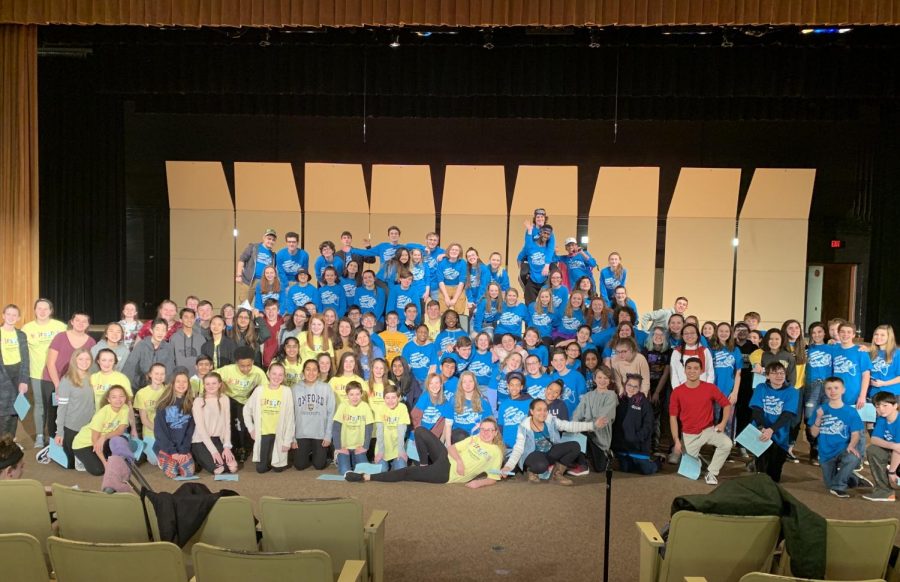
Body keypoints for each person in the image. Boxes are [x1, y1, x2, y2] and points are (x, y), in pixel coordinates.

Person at [344, 418, 504, 489]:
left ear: (496, 433)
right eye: (484, 429)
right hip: (447, 458)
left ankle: (365, 477)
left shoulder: (495, 452)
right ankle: (424, 464)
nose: (486, 432)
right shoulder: (475, 438)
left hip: (446, 473)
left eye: (490, 430)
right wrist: (460, 461)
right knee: (420, 431)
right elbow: (452, 447)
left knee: (408, 473)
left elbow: (493, 478)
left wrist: (478, 483)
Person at [502, 399, 606, 485]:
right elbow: (518, 448)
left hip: (550, 452)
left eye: (545, 410)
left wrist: (593, 425)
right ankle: (532, 471)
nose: (543, 413)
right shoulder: (524, 426)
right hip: (533, 455)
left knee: (575, 446)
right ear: (532, 411)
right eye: (539, 410)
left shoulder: (551, 420)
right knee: (541, 465)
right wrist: (508, 466)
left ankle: (557, 475)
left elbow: (569, 426)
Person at [669, 357, 732, 485]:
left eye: (696, 368)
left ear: (701, 371)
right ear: (684, 370)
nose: (692, 371)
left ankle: (712, 472)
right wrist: (676, 441)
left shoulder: (710, 388)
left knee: (727, 444)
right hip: (689, 434)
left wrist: (723, 423)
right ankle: (700, 462)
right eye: (689, 368)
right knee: (690, 474)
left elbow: (726, 404)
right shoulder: (677, 392)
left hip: (708, 430)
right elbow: (673, 418)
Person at [42, 312, 96, 445]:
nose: (80, 323)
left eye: (84, 321)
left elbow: (89, 364)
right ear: (71, 322)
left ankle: (71, 439)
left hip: (76, 382)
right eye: (77, 320)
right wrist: (58, 385)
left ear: (88, 324)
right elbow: (50, 363)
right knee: (55, 412)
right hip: (53, 379)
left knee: (72, 410)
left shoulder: (91, 342)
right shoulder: (60, 337)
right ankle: (53, 443)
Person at [22, 298, 67, 447]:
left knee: (58, 405)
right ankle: (40, 436)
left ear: (51, 311)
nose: (42, 311)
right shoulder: (27, 328)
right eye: (39, 308)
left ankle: (56, 435)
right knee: (40, 405)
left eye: (45, 308)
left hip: (57, 374)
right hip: (37, 375)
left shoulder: (60, 327)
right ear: (34, 310)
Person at [808, 377, 864, 498]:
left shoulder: (851, 411)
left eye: (836, 388)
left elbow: (855, 434)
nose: (832, 391)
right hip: (825, 452)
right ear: (825, 391)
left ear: (843, 390)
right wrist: (818, 418)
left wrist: (851, 445)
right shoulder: (820, 409)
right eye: (829, 388)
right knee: (829, 485)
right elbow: (813, 434)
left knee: (853, 458)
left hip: (843, 449)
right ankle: (852, 478)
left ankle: (839, 486)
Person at [750, 362, 800, 483]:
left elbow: (787, 415)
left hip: (780, 434)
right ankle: (756, 466)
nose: (779, 376)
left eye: (781, 373)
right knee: (761, 473)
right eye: (774, 373)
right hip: (761, 432)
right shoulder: (761, 387)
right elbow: (756, 410)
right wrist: (763, 428)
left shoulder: (792, 391)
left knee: (774, 475)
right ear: (767, 375)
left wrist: (771, 430)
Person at [217, 346, 267, 462]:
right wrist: (221, 387)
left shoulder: (258, 372)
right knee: (232, 424)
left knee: (244, 425)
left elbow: (266, 388)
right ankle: (234, 447)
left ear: (253, 362)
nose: (246, 369)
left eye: (249, 365)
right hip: (230, 399)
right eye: (242, 366)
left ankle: (245, 447)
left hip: (247, 400)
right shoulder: (227, 370)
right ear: (236, 363)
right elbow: (212, 377)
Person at [243, 363, 295, 473]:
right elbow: (246, 410)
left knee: (278, 468)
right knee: (261, 469)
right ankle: (268, 457)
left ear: (284, 376)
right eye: (274, 374)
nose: (277, 377)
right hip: (264, 433)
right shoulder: (259, 390)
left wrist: (287, 441)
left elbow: (290, 417)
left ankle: (275, 457)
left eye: (281, 375)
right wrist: (251, 428)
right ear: (268, 374)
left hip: (279, 433)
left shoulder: (287, 391)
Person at [71, 385, 130, 476]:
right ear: (108, 399)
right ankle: (80, 459)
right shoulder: (102, 413)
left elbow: (120, 430)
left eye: (121, 396)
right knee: (99, 470)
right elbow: (95, 441)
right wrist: (105, 463)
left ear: (125, 397)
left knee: (121, 439)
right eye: (114, 397)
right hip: (83, 444)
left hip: (103, 439)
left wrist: (104, 437)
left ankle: (105, 458)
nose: (118, 399)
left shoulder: (125, 408)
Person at [291, 359, 335, 471]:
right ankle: (308, 452)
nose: (311, 373)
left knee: (319, 465)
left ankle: (317, 453)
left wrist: (328, 435)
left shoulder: (326, 388)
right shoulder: (295, 389)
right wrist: (292, 437)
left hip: (319, 433)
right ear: (303, 371)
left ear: (319, 372)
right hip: (301, 433)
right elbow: (290, 415)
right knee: (299, 465)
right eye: (308, 369)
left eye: (314, 370)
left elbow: (331, 413)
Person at [55, 349, 95, 469]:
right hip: (72, 427)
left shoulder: (93, 378)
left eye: (87, 359)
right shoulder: (66, 381)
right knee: (70, 465)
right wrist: (59, 432)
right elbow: (61, 409)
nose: (84, 362)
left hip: (89, 426)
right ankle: (53, 448)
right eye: (81, 359)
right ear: (74, 361)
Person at [572, 366, 618, 471]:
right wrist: (574, 426)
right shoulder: (588, 395)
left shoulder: (611, 395)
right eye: (599, 377)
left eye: (606, 378)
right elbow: (577, 413)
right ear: (594, 379)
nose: (602, 381)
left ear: (610, 380)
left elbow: (603, 417)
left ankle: (606, 453)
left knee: (599, 468)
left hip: (600, 435)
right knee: (578, 433)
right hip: (586, 431)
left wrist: (588, 425)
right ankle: (582, 463)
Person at [153, 368, 196, 479]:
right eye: (178, 381)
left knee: (188, 474)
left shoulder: (191, 404)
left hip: (182, 446)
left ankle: (178, 460)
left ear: (188, 384)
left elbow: (190, 431)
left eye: (184, 381)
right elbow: (160, 432)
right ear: (172, 384)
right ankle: (162, 456)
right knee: (173, 474)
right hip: (167, 446)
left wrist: (183, 451)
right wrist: (172, 452)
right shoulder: (163, 404)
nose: (181, 384)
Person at [191, 372, 237, 475]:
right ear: (204, 385)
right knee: (219, 470)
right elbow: (201, 430)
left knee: (233, 467)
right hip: (200, 441)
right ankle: (198, 458)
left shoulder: (224, 399)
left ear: (219, 384)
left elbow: (227, 425)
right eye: (207, 384)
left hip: (216, 439)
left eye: (214, 383)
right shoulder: (198, 401)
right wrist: (213, 451)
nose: (211, 386)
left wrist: (226, 447)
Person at [612, 374, 658, 474]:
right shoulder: (619, 401)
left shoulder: (644, 403)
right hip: (622, 448)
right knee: (625, 469)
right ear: (624, 385)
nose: (631, 389)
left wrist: (637, 438)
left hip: (638, 447)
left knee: (647, 470)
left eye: (635, 386)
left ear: (639, 388)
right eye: (629, 385)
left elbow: (648, 425)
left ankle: (657, 462)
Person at [864, 391, 900, 502]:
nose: (881, 409)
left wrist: (892, 472)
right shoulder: (882, 419)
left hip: (897, 455)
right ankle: (884, 491)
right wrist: (893, 445)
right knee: (873, 450)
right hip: (895, 452)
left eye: (885, 405)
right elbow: (874, 440)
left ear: (895, 406)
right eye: (878, 406)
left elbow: (898, 451)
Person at [332, 381, 374, 475]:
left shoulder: (365, 407)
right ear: (347, 395)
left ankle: (354, 461)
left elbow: (369, 428)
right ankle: (338, 457)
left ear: (361, 394)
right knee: (345, 471)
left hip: (358, 447)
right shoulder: (343, 406)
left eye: (357, 394)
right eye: (351, 394)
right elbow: (336, 428)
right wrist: (338, 447)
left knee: (364, 471)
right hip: (344, 447)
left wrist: (365, 447)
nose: (354, 397)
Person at [708, 322, 742, 439]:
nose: (723, 333)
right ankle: (714, 443)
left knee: (728, 420)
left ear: (730, 333)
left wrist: (735, 392)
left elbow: (738, 373)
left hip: (729, 391)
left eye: (726, 331)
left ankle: (727, 443)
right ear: (716, 333)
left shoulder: (735, 350)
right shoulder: (711, 349)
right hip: (714, 389)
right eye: (721, 331)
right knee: (715, 417)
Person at [0, 305, 29, 437]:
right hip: (2, 374)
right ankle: (2, 442)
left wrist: (24, 380)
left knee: (16, 409)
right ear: (3, 315)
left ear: (18, 318)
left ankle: (10, 441)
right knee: (3, 410)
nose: (11, 317)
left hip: (17, 374)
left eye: (14, 315)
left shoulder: (21, 335)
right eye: (8, 314)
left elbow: (25, 359)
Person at [122, 318, 175, 390]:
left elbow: (169, 370)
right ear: (151, 330)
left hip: (160, 386)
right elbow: (130, 366)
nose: (160, 333)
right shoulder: (141, 345)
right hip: (140, 385)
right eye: (157, 329)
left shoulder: (168, 348)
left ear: (167, 332)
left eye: (163, 330)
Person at [831, 322, 871, 411]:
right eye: (842, 331)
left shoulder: (860, 351)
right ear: (838, 333)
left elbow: (866, 375)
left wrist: (862, 396)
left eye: (849, 332)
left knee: (854, 422)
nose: (845, 334)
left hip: (854, 393)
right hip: (836, 393)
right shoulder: (833, 349)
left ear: (853, 335)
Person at [374, 385, 411, 471]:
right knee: (382, 471)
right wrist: (380, 452)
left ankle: (393, 463)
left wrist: (401, 451)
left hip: (397, 447)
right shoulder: (380, 408)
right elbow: (379, 433)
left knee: (401, 470)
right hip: (383, 447)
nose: (390, 401)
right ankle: (385, 463)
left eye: (393, 397)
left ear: (399, 398)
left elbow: (401, 433)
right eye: (387, 398)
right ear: (383, 398)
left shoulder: (402, 408)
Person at [236, 228, 277, 303]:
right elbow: (242, 259)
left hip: (264, 283)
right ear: (264, 238)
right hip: (249, 282)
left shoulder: (273, 255)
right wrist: (239, 275)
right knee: (245, 306)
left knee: (262, 307)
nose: (271, 241)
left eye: (273, 240)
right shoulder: (254, 247)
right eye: (269, 238)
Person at [411, 373, 453, 444]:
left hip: (433, 436)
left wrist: (443, 442)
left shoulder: (445, 402)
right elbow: (415, 418)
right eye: (431, 383)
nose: (434, 386)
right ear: (428, 385)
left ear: (441, 384)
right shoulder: (424, 397)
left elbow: (447, 425)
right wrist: (418, 436)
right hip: (417, 433)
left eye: (437, 383)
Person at [669, 324, 714, 388]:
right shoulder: (676, 352)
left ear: (697, 335)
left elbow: (710, 372)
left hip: (703, 390)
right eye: (686, 333)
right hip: (683, 391)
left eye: (692, 333)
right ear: (682, 336)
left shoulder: (705, 351)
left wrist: (707, 390)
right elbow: (674, 374)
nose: (689, 335)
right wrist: (677, 391)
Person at [498, 371, 533, 449]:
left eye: (517, 385)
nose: (514, 388)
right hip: (506, 445)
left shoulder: (530, 402)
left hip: (523, 445)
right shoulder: (503, 404)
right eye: (512, 385)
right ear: (508, 386)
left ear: (521, 387)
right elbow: (500, 426)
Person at [133, 363, 167, 442]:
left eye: (162, 374)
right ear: (150, 374)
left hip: (168, 435)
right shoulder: (141, 393)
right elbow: (144, 420)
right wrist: (159, 431)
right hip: (150, 435)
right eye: (156, 373)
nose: (159, 376)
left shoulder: (169, 391)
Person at [169, 308, 204, 376]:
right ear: (181, 320)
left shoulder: (201, 338)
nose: (189, 320)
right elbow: (171, 360)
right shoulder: (174, 338)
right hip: (180, 377)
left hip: (197, 377)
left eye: (192, 317)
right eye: (186, 317)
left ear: (194, 319)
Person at [868, 325, 900, 397]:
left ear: (889, 337)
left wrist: (884, 383)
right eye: (876, 334)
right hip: (873, 394)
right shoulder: (871, 353)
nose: (878, 337)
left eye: (882, 335)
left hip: (892, 394)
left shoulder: (897, 353)